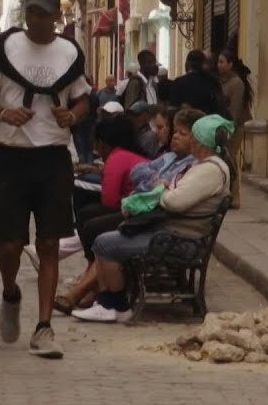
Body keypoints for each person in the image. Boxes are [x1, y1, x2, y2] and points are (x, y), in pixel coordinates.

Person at [0, 0, 91, 359]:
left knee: (48, 244)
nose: (36, 19)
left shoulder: (69, 54)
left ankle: (44, 327)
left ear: (57, 16)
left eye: (43, 13)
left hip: (53, 158)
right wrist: (3, 113)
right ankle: (10, 291)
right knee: (7, 243)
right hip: (13, 155)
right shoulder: (6, 50)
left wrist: (72, 115)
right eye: (32, 12)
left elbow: (83, 98)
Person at [73, 114, 234, 323]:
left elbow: (174, 201)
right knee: (104, 236)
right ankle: (108, 302)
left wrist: (162, 188)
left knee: (104, 243)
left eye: (192, 136)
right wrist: (166, 187)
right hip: (173, 231)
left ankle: (114, 305)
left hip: (179, 238)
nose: (189, 140)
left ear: (201, 141)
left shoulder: (209, 170)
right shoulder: (203, 165)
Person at [54, 107, 203, 315]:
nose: (174, 136)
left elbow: (162, 195)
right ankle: (90, 291)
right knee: (93, 222)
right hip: (146, 215)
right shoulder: (170, 158)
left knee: (101, 234)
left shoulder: (192, 166)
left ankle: (95, 297)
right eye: (174, 131)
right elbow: (138, 174)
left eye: (181, 133)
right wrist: (155, 182)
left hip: (162, 227)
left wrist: (155, 184)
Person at [217, 49, 254, 207]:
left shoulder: (236, 83)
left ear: (230, 64)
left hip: (234, 127)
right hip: (222, 126)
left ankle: (235, 196)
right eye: (218, 62)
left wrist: (229, 128)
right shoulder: (221, 81)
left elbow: (236, 110)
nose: (219, 65)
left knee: (230, 159)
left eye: (222, 62)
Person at [168, 49, 223, 115]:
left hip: (185, 123)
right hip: (208, 122)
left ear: (187, 63)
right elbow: (218, 106)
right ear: (202, 64)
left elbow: (173, 109)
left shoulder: (178, 83)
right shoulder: (212, 82)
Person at [71, 76, 99, 166]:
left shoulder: (77, 96)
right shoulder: (93, 95)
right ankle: (89, 163)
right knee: (89, 146)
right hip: (91, 122)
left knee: (80, 145)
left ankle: (83, 164)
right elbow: (96, 107)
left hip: (78, 123)